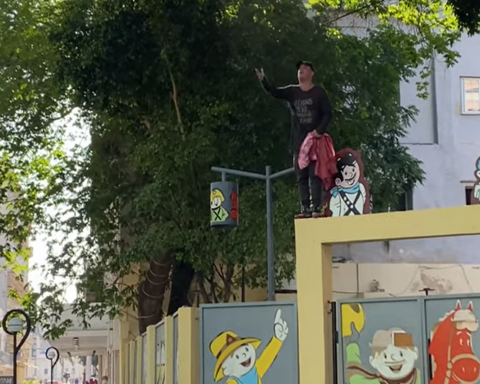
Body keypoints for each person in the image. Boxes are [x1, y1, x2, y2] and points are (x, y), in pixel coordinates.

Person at [256, 61, 333, 218]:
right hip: (299, 141)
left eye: (305, 69)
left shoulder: (318, 92)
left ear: (312, 73)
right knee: (301, 175)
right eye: (299, 69)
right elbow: (275, 92)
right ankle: (305, 208)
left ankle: (316, 208)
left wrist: (319, 131)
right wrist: (264, 80)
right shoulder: (293, 91)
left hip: (315, 141)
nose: (301, 71)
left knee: (315, 174)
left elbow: (328, 113)